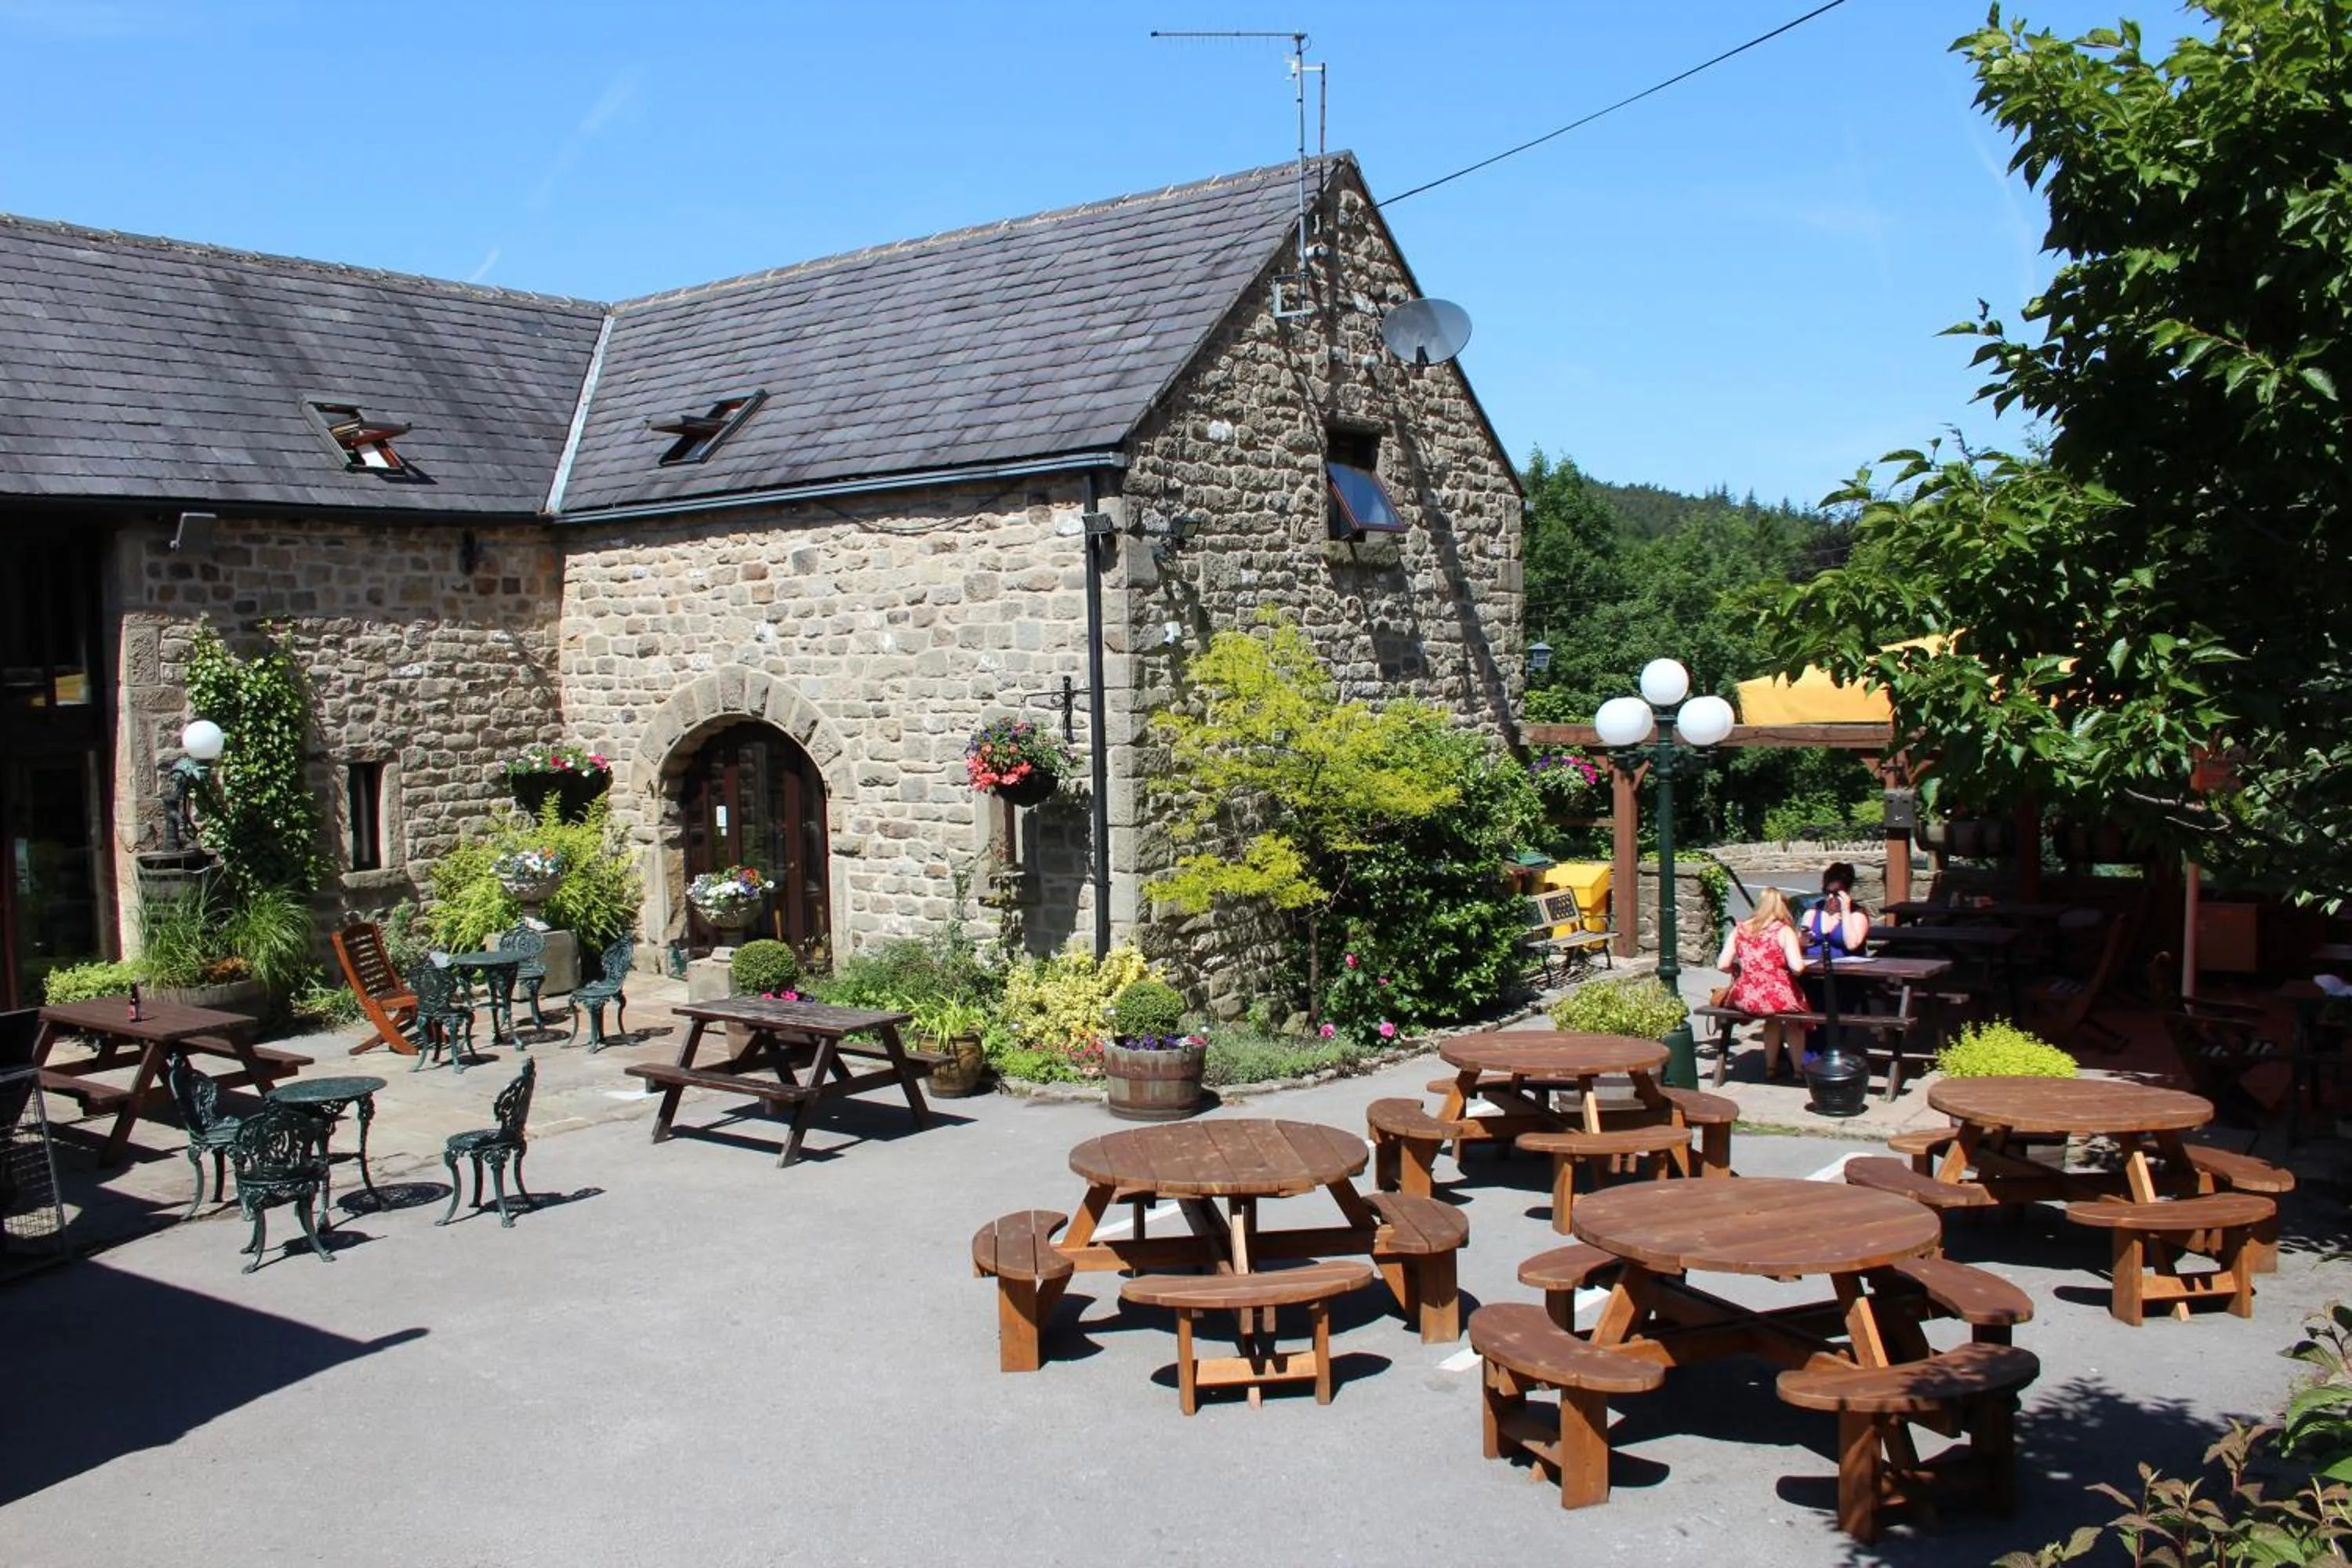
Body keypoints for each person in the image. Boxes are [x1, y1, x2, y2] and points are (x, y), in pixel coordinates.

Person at [1714, 887, 1808, 1083]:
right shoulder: (1783, 931)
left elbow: (1722, 964)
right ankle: (1799, 1070)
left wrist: (1739, 969)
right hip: (1777, 996)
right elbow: (1797, 968)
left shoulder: (1740, 929)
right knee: (1795, 1021)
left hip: (1746, 997)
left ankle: (1771, 1068)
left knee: (1772, 1020)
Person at [1798, 862, 1872, 1058]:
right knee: (1807, 1006)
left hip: (1844, 979)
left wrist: (1845, 912)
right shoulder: (1813, 912)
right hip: (1813, 977)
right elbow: (1800, 943)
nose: (1831, 898)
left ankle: (1827, 1055)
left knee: (1837, 1008)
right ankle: (1808, 1057)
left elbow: (1852, 943)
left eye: (1836, 893)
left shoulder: (1857, 914)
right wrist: (1803, 939)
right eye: (1827, 892)